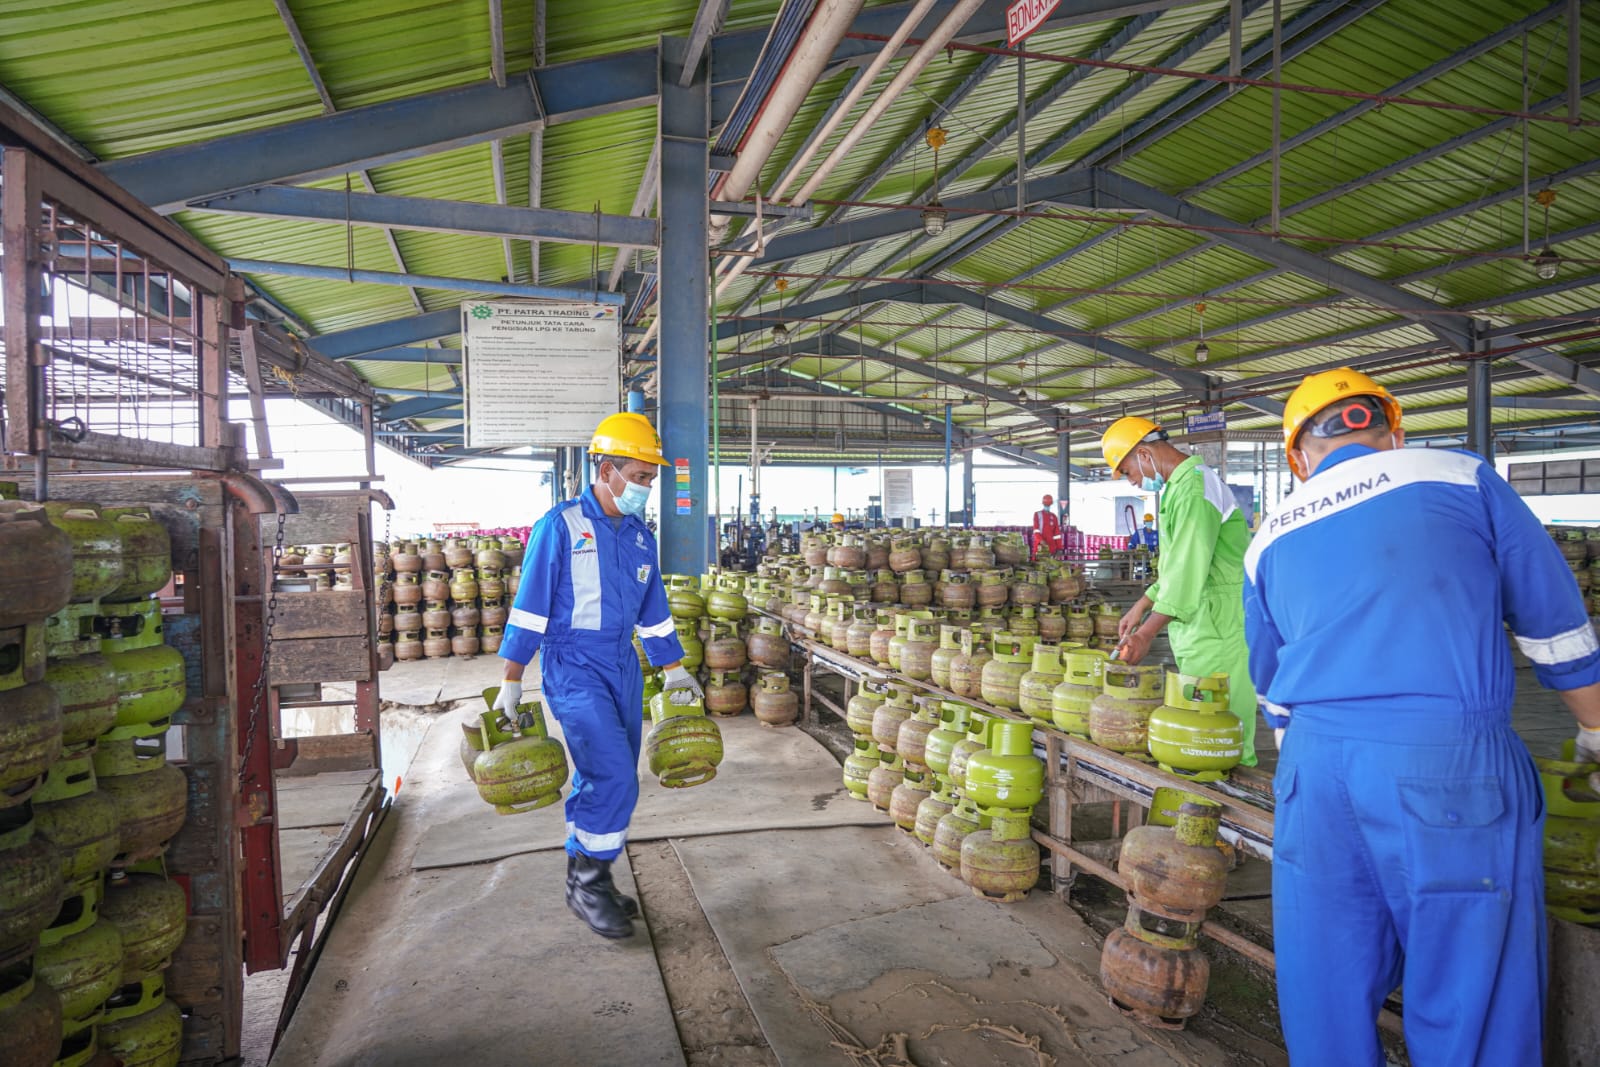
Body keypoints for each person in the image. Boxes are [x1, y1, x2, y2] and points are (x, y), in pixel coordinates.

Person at [1243, 368, 1600, 1065]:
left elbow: (1272, 687)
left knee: (1326, 991)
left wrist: (1320, 763)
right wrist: (1594, 727)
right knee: (1472, 992)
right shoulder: (1458, 475)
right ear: (1391, 429)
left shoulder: (1270, 535)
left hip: (1313, 775)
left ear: (1299, 457)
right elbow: (1555, 624)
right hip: (1447, 770)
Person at [494, 412, 702, 940]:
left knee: (604, 773)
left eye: (651, 479)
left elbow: (653, 611)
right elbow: (529, 609)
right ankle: (588, 883)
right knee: (613, 773)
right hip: (573, 664)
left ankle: (589, 873)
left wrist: (674, 669)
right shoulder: (560, 526)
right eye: (639, 476)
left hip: (623, 663)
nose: (645, 488)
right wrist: (512, 678)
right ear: (605, 470)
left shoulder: (638, 538)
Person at [1101, 416, 1257, 766]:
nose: (1135, 481)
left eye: (1128, 471)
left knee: (1220, 731)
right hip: (1202, 623)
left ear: (1144, 453)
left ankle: (1233, 805)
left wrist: (1145, 635)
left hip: (1220, 623)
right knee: (1200, 733)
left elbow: (1187, 574)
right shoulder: (1180, 487)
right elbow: (1176, 568)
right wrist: (1141, 604)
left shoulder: (1195, 489)